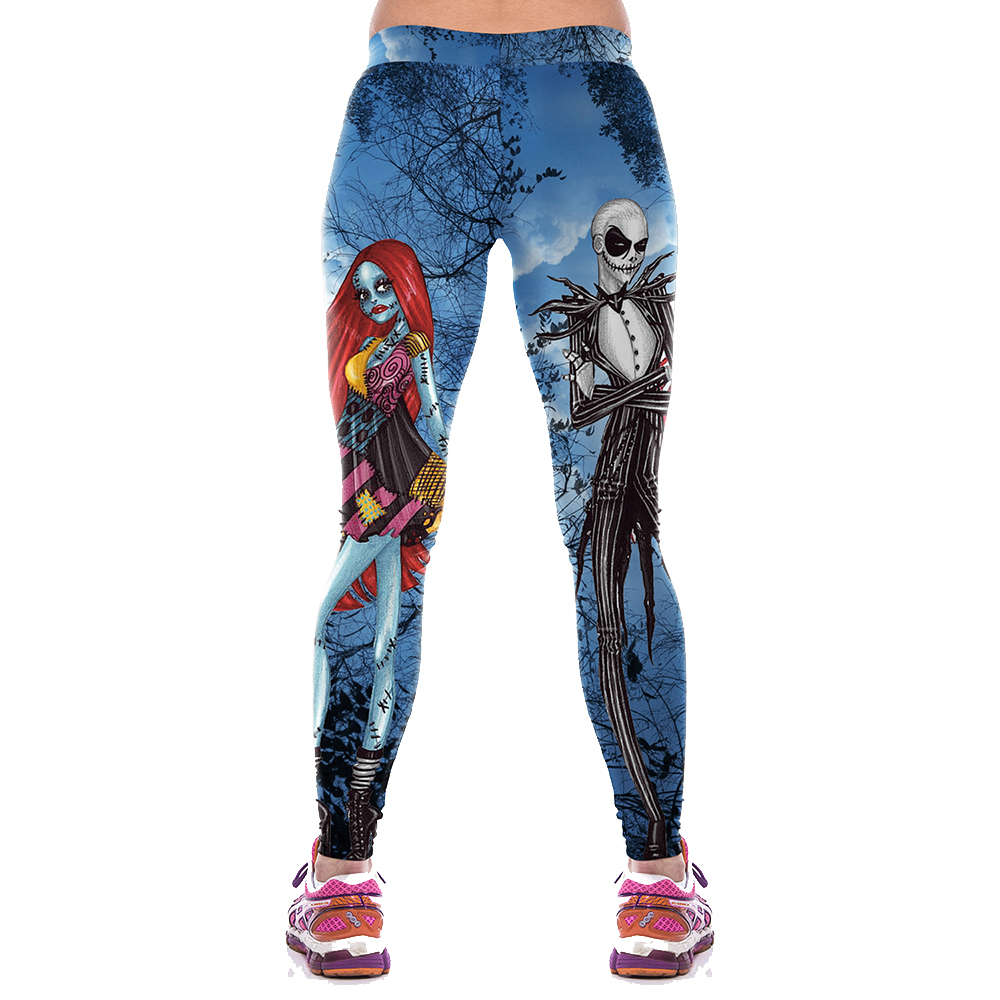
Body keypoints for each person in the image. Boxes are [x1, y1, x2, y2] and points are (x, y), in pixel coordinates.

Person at [286, 0, 713, 979]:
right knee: (613, 525)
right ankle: (658, 881)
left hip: (410, 109)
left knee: (387, 527)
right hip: (584, 110)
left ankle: (341, 881)